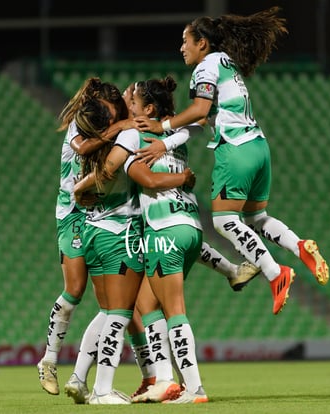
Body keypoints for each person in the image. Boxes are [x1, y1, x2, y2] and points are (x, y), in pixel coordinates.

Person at [134, 7, 329, 315]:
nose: (181, 47)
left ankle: (277, 274)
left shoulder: (205, 68)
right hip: (258, 147)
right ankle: (299, 245)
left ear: (202, 43)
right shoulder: (227, 64)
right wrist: (166, 143)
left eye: (185, 40)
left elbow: (198, 111)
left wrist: (163, 127)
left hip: (234, 149)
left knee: (224, 220)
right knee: (256, 219)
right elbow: (201, 121)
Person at [74, 76, 209, 404]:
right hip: (191, 224)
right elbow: (200, 122)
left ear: (147, 108)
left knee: (174, 311)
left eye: (131, 103)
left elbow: (132, 174)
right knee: (145, 305)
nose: (126, 107)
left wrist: (83, 188)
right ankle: (164, 380)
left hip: (164, 230)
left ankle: (193, 387)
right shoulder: (173, 135)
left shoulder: (136, 136)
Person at [37, 77, 135, 398]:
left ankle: (82, 379)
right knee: (74, 290)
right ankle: (49, 360)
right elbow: (82, 148)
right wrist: (121, 124)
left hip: (96, 218)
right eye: (106, 115)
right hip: (71, 215)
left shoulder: (104, 128)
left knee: (109, 305)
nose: (108, 120)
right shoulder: (81, 129)